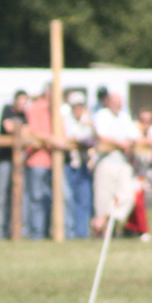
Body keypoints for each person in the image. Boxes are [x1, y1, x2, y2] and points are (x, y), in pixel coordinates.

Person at [91, 92, 137, 237]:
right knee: (103, 199)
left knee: (127, 196)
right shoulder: (102, 115)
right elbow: (101, 136)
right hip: (106, 161)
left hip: (123, 162)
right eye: (115, 101)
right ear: (108, 102)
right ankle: (105, 233)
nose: (118, 104)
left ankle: (103, 219)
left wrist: (128, 144)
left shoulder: (125, 117)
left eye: (120, 101)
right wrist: (120, 143)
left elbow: (133, 136)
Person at [0, 90, 28, 239]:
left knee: (16, 196)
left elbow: (27, 131)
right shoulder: (7, 110)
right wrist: (21, 129)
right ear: (15, 101)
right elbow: (9, 127)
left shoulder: (25, 114)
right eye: (21, 101)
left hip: (18, 162)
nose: (23, 105)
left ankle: (11, 229)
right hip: (4, 160)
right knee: (0, 195)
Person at [22, 85, 56, 239]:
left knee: (48, 198)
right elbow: (33, 131)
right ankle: (36, 233)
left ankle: (46, 231)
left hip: (53, 161)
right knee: (36, 198)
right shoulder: (35, 108)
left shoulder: (56, 111)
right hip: (37, 160)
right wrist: (52, 140)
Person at [61, 91, 95, 239]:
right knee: (68, 198)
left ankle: (82, 232)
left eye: (80, 106)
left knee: (84, 199)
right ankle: (70, 232)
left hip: (84, 164)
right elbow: (69, 137)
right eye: (75, 106)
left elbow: (89, 138)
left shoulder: (87, 121)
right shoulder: (65, 120)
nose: (78, 109)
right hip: (70, 163)